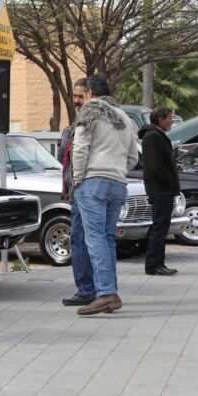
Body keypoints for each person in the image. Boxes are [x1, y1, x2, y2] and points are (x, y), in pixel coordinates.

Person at [66, 75, 138, 316]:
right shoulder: (124, 117)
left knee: (94, 238)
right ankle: (110, 292)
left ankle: (106, 293)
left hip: (93, 182)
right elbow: (133, 157)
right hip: (118, 183)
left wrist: (78, 179)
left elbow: (80, 147)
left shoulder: (90, 111)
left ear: (88, 92)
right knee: (107, 238)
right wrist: (117, 171)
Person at [58, 78, 92, 307]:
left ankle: (88, 290)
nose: (77, 101)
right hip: (75, 190)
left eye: (81, 96)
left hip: (84, 188)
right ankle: (93, 288)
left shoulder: (88, 122)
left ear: (90, 94)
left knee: (83, 239)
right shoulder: (75, 124)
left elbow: (79, 156)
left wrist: (78, 182)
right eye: (75, 96)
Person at [137, 107, 179, 276]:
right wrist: (169, 180)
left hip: (163, 189)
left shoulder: (155, 135)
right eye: (170, 118)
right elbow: (156, 167)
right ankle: (154, 265)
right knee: (159, 228)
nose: (171, 121)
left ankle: (158, 263)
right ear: (161, 119)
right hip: (160, 189)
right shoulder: (153, 136)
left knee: (162, 227)